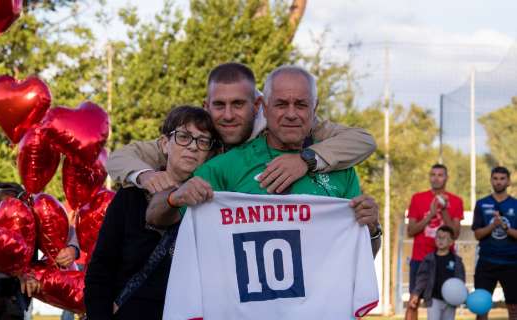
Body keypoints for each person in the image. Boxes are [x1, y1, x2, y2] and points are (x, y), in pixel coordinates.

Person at [146, 65, 381, 255]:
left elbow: (363, 255)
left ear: (314, 108)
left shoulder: (342, 170)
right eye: (281, 104)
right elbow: (156, 216)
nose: (291, 114)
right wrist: (174, 198)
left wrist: (372, 229)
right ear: (265, 109)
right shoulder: (227, 166)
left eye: (301, 104)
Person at [106, 62, 377, 196]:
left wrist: (305, 160)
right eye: (219, 105)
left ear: (258, 105)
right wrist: (145, 176)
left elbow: (363, 140)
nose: (227, 115)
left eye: (238, 104)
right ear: (206, 104)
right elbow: (119, 157)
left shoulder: (284, 121)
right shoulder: (195, 134)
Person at [84, 105, 221, 319]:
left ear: (210, 153)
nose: (193, 147)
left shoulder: (212, 202)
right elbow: (101, 267)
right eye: (184, 137)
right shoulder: (132, 196)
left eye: (203, 141)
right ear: (165, 144)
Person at [0, 182, 79, 320]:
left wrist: (73, 249)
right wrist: (17, 272)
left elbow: (65, 226)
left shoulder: (33, 205)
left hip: (14, 297)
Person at [405, 164, 464, 320]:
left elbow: (455, 234)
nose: (436, 178)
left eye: (440, 175)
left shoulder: (456, 201)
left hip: (444, 260)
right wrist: (430, 215)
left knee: (445, 302)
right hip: (420, 258)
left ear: (446, 178)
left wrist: (444, 210)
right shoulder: (417, 198)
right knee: (413, 302)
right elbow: (410, 231)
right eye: (433, 174)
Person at [472, 166, 517, 320]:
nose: (498, 182)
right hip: (486, 262)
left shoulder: (515, 205)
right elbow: (477, 234)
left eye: (502, 179)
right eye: (495, 179)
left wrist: (506, 228)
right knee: (481, 306)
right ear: (491, 180)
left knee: (514, 308)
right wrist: (492, 226)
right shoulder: (481, 204)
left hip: (511, 263)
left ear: (508, 181)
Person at [409, 225, 466, 320]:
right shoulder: (429, 259)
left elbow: (460, 280)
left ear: (451, 242)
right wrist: (416, 294)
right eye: (438, 237)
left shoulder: (456, 261)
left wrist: (461, 294)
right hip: (433, 299)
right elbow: (422, 279)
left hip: (450, 301)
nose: (440, 240)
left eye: (444, 238)